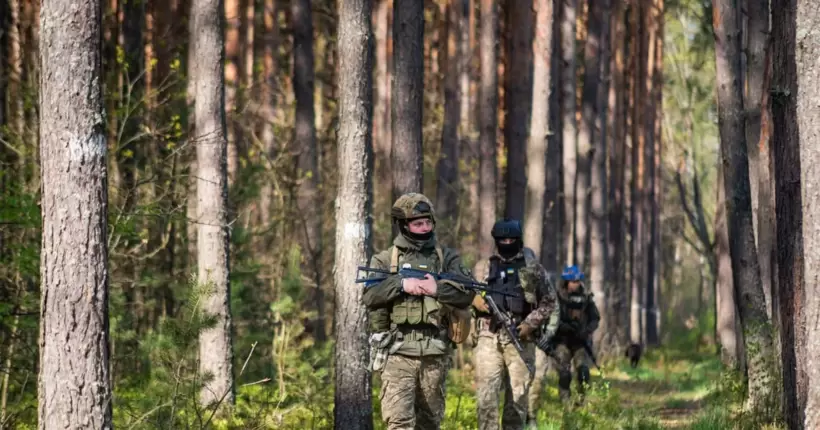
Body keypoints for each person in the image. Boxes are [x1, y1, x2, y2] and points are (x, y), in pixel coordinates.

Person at [362, 193, 476, 430]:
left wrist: (438, 289)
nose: (424, 228)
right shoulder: (385, 260)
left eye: (428, 222)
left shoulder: (447, 258)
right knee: (399, 423)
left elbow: (467, 293)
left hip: (435, 353)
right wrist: (402, 285)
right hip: (398, 353)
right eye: (417, 223)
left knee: (430, 424)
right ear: (404, 225)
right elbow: (370, 297)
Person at [471, 219, 559, 430]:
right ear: (496, 240)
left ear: (518, 240)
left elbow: (549, 302)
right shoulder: (483, 267)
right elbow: (468, 293)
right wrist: (473, 301)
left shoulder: (532, 268)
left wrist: (530, 323)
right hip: (489, 336)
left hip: (521, 338)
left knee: (518, 400)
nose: (507, 243)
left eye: (511, 239)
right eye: (503, 239)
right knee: (486, 397)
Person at [545, 265, 600, 404]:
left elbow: (595, 318)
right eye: (572, 281)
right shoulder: (557, 297)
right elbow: (551, 318)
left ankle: (581, 400)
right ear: (566, 282)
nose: (575, 284)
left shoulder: (586, 298)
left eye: (577, 281)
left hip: (579, 342)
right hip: (561, 341)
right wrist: (564, 327)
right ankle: (565, 403)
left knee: (583, 371)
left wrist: (586, 331)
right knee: (564, 372)